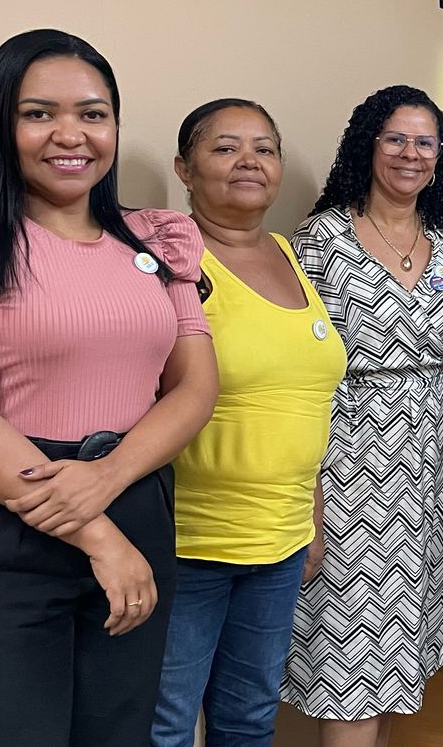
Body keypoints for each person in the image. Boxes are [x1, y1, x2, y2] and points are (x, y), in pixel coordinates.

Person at [0, 29, 218, 747]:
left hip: (135, 504)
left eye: (93, 114)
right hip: (0, 524)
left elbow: (194, 388)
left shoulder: (157, 241)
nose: (71, 134)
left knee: (117, 734)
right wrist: (97, 533)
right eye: (39, 113)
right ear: (1, 125)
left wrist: (108, 480)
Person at [152, 99, 346, 746]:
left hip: (280, 540)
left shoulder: (289, 253)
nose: (249, 161)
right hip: (190, 541)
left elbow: (304, 401)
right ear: (184, 168)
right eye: (225, 147)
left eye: (264, 149)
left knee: (249, 719)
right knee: (166, 726)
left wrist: (310, 518)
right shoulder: (168, 260)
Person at [285, 85, 443, 747]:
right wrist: (307, 495)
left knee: (394, 662)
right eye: (395, 138)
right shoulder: (319, 240)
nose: (410, 153)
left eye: (425, 142)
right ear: (367, 144)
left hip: (428, 471)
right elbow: (293, 372)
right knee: (351, 661)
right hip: (348, 467)